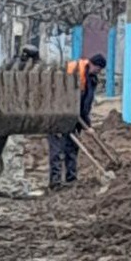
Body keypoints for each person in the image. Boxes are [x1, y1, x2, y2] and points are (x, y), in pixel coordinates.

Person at [47, 53, 106, 190]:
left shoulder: (90, 78)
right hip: (58, 117)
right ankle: (55, 183)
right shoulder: (72, 72)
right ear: (92, 64)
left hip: (75, 118)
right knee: (57, 151)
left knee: (72, 149)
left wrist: (87, 125)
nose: (99, 72)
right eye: (98, 68)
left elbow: (84, 105)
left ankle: (71, 179)